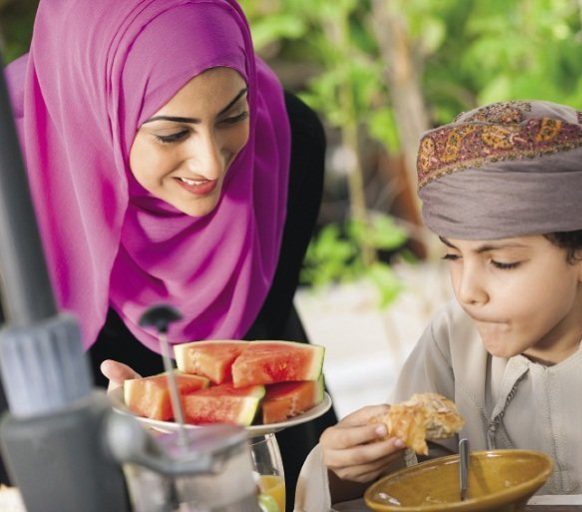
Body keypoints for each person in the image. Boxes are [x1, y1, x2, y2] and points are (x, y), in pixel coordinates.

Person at [294, 100, 582, 510]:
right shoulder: (454, 335)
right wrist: (345, 471)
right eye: (453, 256)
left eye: (502, 262)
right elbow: (412, 483)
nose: (468, 291)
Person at [0, 1, 337, 507]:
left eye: (233, 115)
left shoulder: (288, 139)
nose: (211, 164)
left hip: (270, 463)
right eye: (172, 133)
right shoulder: (10, 198)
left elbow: (261, 345)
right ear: (95, 109)